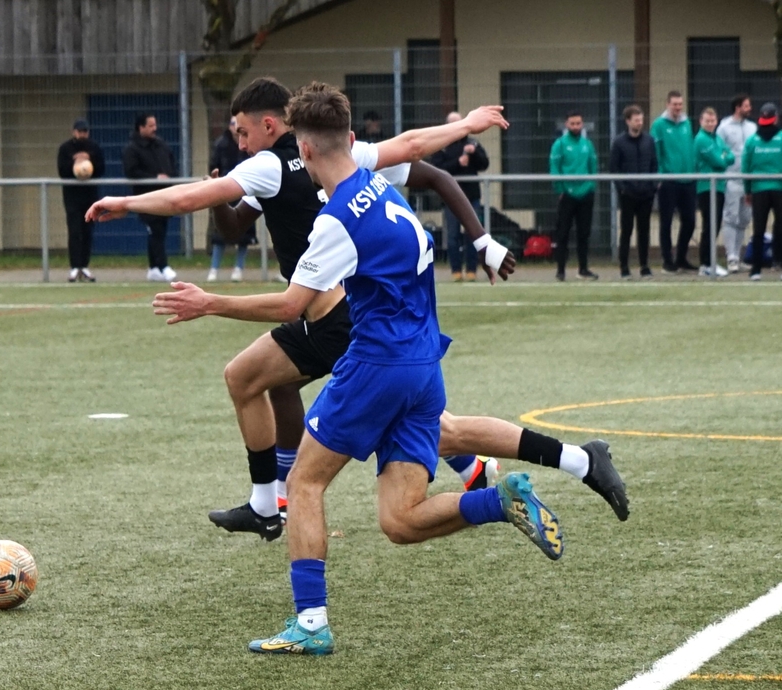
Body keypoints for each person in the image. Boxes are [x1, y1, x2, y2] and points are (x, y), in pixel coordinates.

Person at [86, 78, 628, 538]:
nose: (239, 142)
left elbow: (187, 200)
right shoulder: (346, 158)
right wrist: (466, 125)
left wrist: (126, 202)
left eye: (242, 131)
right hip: (337, 314)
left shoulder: (268, 166)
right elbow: (413, 144)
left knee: (432, 432)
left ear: (275, 128)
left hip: (340, 316)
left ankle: (554, 462)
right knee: (250, 376)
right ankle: (267, 503)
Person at [153, 83, 568, 655]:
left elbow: (291, 305)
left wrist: (209, 302)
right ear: (349, 137)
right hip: (423, 363)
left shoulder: (335, 218)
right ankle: (500, 498)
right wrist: (468, 140)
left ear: (304, 145)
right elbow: (419, 151)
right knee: (400, 521)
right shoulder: (380, 185)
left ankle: (311, 622)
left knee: (304, 483)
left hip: (376, 363)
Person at [431, 111, 489, 281]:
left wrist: (475, 153)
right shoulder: (441, 146)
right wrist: (458, 163)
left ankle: (472, 270)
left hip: (471, 196)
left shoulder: (472, 143)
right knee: (453, 236)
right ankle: (456, 271)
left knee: (473, 234)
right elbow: (437, 169)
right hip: (450, 197)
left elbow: (484, 164)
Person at [123, 112, 177, 282]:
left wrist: (169, 176)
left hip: (164, 195)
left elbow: (171, 164)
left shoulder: (161, 145)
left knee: (160, 230)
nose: (155, 128)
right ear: (141, 128)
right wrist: (154, 177)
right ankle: (163, 266)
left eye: (155, 125)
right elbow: (131, 171)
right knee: (155, 230)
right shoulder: (132, 149)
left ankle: (154, 268)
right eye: (150, 125)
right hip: (145, 196)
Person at [549, 110, 598, 281]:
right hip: (567, 195)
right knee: (563, 233)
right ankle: (561, 271)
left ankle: (583, 269)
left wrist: (591, 186)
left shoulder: (587, 144)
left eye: (578, 123)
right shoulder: (559, 144)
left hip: (586, 194)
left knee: (584, 234)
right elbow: (555, 168)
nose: (576, 126)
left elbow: (593, 167)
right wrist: (560, 190)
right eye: (573, 124)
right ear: (567, 124)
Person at [610, 104, 658, 279]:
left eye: (641, 120)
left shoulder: (649, 141)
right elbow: (614, 169)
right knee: (627, 230)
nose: (639, 123)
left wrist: (653, 186)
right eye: (636, 120)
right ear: (628, 121)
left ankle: (644, 266)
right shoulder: (619, 143)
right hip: (628, 195)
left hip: (646, 194)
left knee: (644, 231)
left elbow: (654, 164)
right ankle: (624, 267)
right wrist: (622, 189)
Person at [652, 91, 697, 273]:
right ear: (667, 104)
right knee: (666, 222)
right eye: (674, 104)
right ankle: (667, 260)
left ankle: (681, 258)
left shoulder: (687, 123)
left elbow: (690, 148)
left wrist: (692, 171)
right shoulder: (659, 125)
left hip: (688, 180)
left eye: (680, 104)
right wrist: (660, 175)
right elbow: (656, 152)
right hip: (669, 181)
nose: (678, 107)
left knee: (690, 221)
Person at [207, 116, 256, 282]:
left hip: (245, 192)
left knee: (245, 233)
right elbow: (214, 165)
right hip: (225, 191)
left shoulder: (251, 143)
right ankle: (214, 269)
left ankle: (238, 268)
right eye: (233, 124)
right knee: (219, 234)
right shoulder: (221, 144)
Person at [57, 119, 106, 282]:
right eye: (80, 131)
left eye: (85, 131)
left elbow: (101, 169)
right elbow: (62, 171)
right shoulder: (65, 148)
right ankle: (74, 267)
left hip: (90, 196)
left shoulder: (94, 147)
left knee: (87, 231)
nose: (82, 134)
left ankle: (84, 266)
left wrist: (89, 158)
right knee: (74, 231)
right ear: (74, 132)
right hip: (72, 196)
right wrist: (75, 162)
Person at [742, 102, 782, 281]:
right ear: (776, 118)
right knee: (780, 227)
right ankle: (779, 264)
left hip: (758, 190)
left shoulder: (752, 140)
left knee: (758, 229)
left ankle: (756, 270)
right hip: (779, 189)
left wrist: (747, 190)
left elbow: (746, 167)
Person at [717, 94, 757, 273]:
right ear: (738, 107)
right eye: (746, 106)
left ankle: (738, 256)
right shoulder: (724, 127)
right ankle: (731, 256)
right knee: (731, 218)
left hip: (748, 181)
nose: (749, 109)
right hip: (731, 179)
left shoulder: (752, 127)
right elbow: (720, 149)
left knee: (744, 219)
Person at [694, 107, 734, 277]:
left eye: (713, 121)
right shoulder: (701, 139)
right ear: (701, 122)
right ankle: (706, 264)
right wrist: (723, 156)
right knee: (710, 225)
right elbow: (720, 162)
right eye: (707, 121)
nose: (710, 124)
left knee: (715, 225)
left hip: (719, 187)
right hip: (706, 188)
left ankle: (709, 262)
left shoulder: (717, 138)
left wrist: (724, 156)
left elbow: (731, 157)